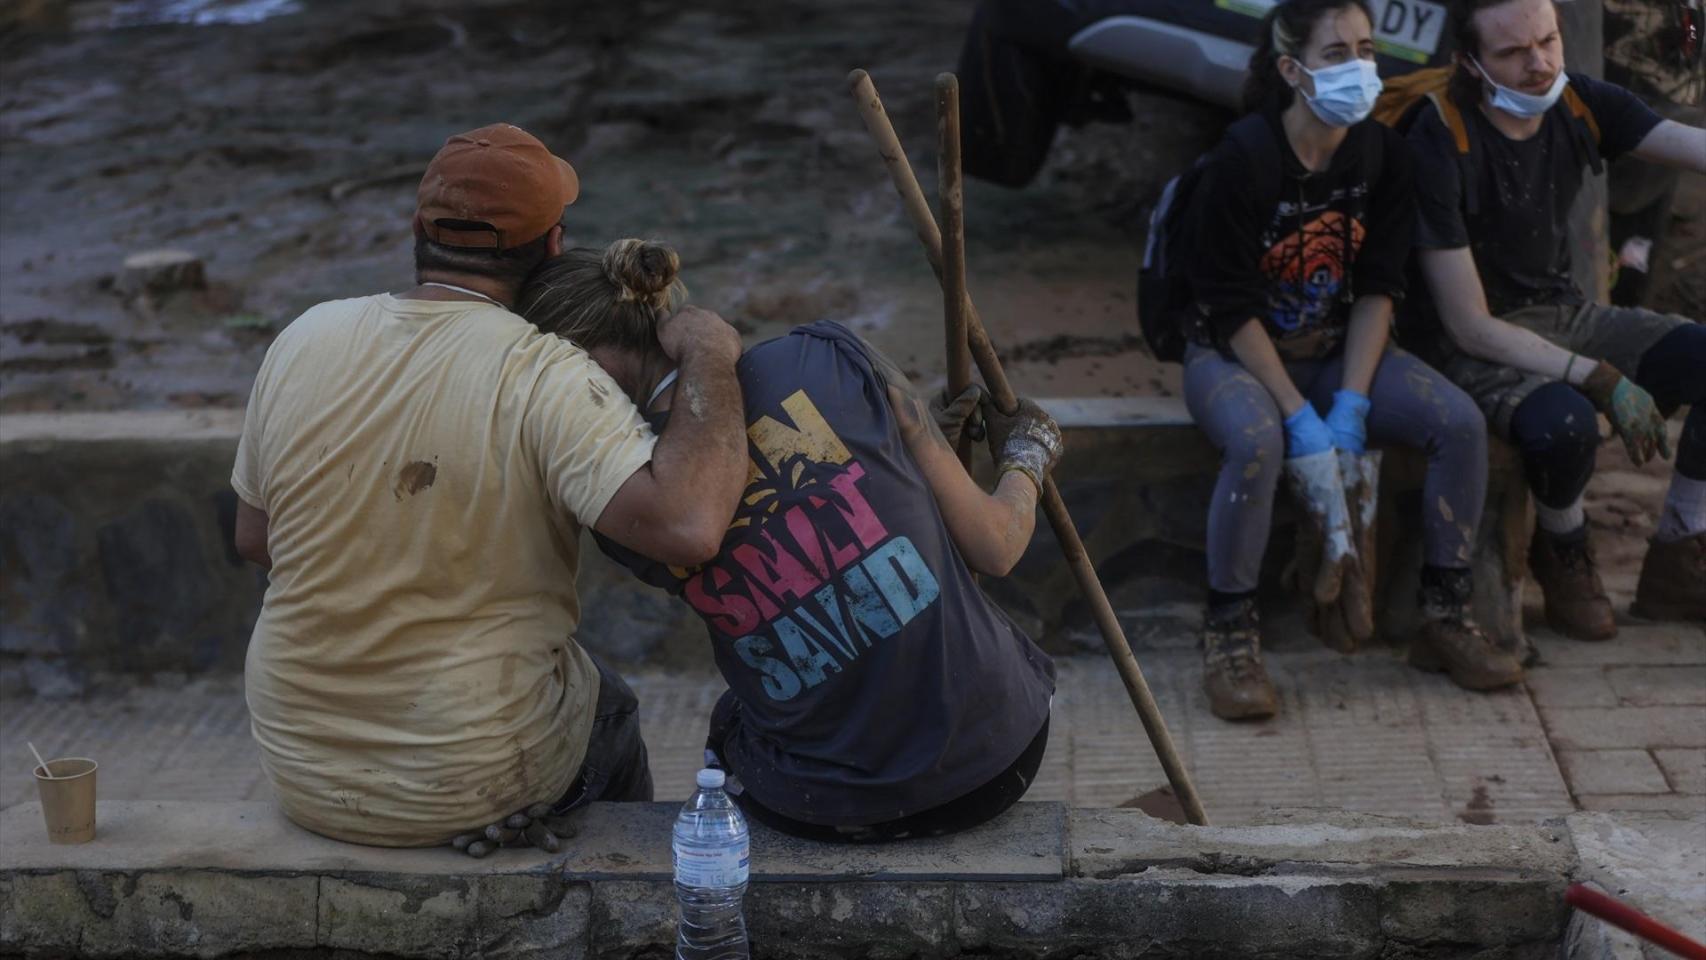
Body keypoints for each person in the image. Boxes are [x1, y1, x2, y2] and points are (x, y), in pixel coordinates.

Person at [229, 124, 750, 849]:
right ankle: (621, 891)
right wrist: (711, 354)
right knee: (611, 707)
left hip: (304, 772)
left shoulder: (304, 335)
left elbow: (256, 539)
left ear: (418, 229)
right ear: (554, 246)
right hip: (473, 780)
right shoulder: (544, 374)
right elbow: (690, 526)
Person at [516, 239, 1061, 842]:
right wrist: (1027, 453)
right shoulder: (828, 356)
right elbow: (996, 545)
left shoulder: (630, 499)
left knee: (731, 733)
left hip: (827, 809)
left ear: (574, 366)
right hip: (1004, 756)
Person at [1177, 0, 1510, 720]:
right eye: (1337, 55)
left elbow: (1379, 287)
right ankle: (1229, 631)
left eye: (1366, 48)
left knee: (1457, 420)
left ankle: (1444, 615)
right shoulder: (1242, 159)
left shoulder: (1382, 156)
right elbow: (1229, 308)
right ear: (1293, 70)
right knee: (1257, 440)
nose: (1360, 68)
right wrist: (1299, 417)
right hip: (1234, 358)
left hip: (1336, 351)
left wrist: (1352, 406)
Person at [1407, 0, 1706, 636]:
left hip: (1565, 313)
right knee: (1566, 425)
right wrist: (1597, 378)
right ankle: (1564, 547)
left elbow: (1687, 143)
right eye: (1513, 53)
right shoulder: (1439, 136)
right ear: (1469, 61)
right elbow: (1467, 325)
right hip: (1471, 340)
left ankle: (1680, 551)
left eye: (1547, 41)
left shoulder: (1577, 100)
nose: (1539, 64)